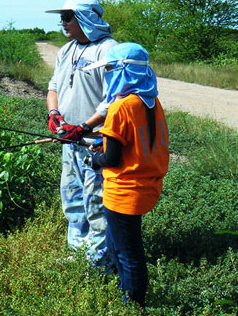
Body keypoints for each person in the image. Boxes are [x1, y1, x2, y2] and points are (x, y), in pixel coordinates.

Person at [82, 42, 169, 307]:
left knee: (129, 254)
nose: (106, 74)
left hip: (124, 192)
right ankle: (124, 295)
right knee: (118, 246)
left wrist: (93, 158)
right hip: (145, 187)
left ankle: (133, 306)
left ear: (122, 71)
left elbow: (111, 159)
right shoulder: (150, 101)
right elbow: (136, 143)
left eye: (109, 68)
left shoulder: (120, 108)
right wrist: (105, 142)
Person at [45, 0, 118, 267]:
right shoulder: (66, 50)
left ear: (86, 17)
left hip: (96, 142)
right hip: (69, 140)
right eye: (62, 17)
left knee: (96, 202)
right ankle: (77, 255)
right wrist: (54, 115)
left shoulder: (109, 50)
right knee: (73, 198)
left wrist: (86, 126)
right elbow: (53, 86)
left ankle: (99, 263)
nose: (62, 22)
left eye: (67, 17)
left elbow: (115, 98)